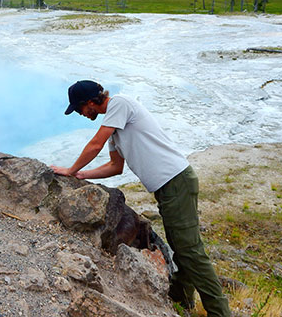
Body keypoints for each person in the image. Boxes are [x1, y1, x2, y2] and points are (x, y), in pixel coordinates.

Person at [51, 80, 231, 317]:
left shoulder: (119, 104)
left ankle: (220, 312)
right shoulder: (116, 128)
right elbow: (116, 167)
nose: (82, 114)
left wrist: (71, 169)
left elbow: (95, 144)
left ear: (90, 102)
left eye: (80, 109)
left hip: (176, 181)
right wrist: (83, 174)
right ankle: (182, 298)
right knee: (181, 246)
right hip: (168, 187)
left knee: (190, 250)